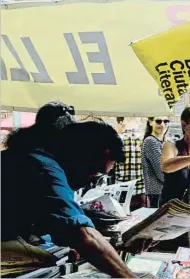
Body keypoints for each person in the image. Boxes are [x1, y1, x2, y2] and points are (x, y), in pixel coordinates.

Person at [1, 120, 135, 277]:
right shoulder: (44, 168)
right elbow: (84, 235)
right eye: (96, 173)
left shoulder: (31, 157)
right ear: (83, 156)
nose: (92, 182)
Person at [113, 117, 146, 210]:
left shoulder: (117, 139)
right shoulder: (144, 139)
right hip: (141, 188)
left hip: (121, 188)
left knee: (122, 218)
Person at [142, 116, 170, 207]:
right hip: (158, 193)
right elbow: (161, 171)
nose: (162, 124)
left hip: (164, 192)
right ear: (150, 122)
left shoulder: (165, 142)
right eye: (158, 121)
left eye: (166, 121)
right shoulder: (151, 141)